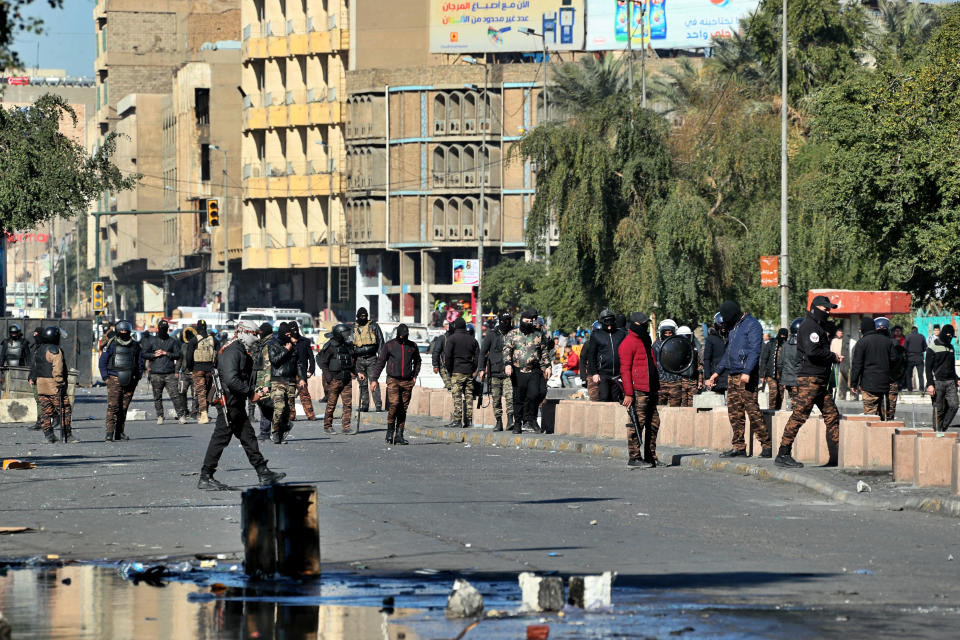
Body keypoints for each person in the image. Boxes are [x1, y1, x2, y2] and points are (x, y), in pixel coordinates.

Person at [197, 321, 286, 491]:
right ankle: (205, 476)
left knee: (248, 437)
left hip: (235, 402)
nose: (256, 338)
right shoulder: (233, 351)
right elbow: (231, 380)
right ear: (244, 332)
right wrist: (250, 393)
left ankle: (263, 472)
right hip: (229, 403)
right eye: (254, 334)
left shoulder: (239, 349)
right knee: (221, 438)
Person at [775, 296, 843, 468]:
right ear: (815, 308)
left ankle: (844, 452)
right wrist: (833, 356)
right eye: (825, 309)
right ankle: (783, 453)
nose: (828, 312)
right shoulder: (810, 326)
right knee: (799, 415)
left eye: (829, 309)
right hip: (810, 379)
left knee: (832, 415)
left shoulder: (816, 326)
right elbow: (812, 352)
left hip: (819, 380)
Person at [705, 301, 770, 458]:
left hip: (745, 376)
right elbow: (728, 354)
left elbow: (755, 350)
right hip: (732, 375)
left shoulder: (752, 325)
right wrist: (716, 373)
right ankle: (739, 446)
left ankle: (766, 445)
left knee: (752, 410)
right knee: (734, 413)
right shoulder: (734, 327)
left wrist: (747, 371)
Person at [619, 312, 660, 468]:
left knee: (654, 422)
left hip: (650, 389)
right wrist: (629, 393)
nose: (644, 326)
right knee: (637, 423)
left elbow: (651, 364)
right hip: (638, 390)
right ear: (634, 324)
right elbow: (625, 370)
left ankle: (650, 457)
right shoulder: (628, 343)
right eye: (642, 323)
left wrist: (656, 387)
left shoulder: (645, 340)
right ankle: (634, 457)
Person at [371, 323, 422, 444]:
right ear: (398, 334)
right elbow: (381, 362)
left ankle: (399, 434)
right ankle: (389, 432)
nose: (403, 338)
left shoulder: (412, 346)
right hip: (393, 380)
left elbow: (418, 361)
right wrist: (374, 379)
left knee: (403, 409)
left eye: (405, 335)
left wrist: (415, 376)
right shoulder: (390, 345)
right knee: (394, 405)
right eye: (401, 336)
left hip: (407, 381)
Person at [503, 308, 551, 434]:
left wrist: (548, 366)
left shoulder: (538, 334)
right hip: (517, 370)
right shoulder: (513, 334)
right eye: (527, 320)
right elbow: (507, 350)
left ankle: (531, 419)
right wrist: (507, 364)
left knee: (535, 394)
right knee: (518, 397)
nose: (529, 323)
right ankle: (518, 423)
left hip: (534, 369)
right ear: (521, 320)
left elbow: (544, 351)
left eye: (532, 321)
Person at [98, 320, 144, 442]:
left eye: (126, 331)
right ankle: (109, 433)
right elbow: (102, 362)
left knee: (124, 408)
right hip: (114, 378)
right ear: (118, 331)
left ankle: (120, 432)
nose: (124, 332)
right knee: (113, 407)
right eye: (122, 330)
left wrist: (137, 377)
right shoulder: (111, 345)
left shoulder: (135, 345)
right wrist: (106, 378)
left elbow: (140, 363)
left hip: (130, 380)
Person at [29, 326, 74, 443]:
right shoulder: (55, 350)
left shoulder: (39, 349)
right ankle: (67, 435)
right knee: (65, 409)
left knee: (45, 410)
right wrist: (60, 381)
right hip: (53, 385)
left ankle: (49, 435)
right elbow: (57, 369)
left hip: (41, 384)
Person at [850, 317, 896, 419]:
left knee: (870, 417)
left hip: (868, 385)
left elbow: (857, 365)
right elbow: (894, 360)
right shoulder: (887, 341)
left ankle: (872, 434)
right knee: (886, 417)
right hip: (885, 384)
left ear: (863, 329)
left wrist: (853, 383)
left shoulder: (861, 343)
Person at [143, 320, 188, 425]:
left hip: (169, 373)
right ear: (158, 329)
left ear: (167, 329)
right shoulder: (151, 341)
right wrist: (154, 355)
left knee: (175, 396)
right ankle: (160, 416)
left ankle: (181, 416)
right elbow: (144, 354)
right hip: (156, 373)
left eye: (165, 328)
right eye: (161, 328)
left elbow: (178, 355)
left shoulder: (172, 341)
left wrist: (166, 353)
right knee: (157, 397)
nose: (163, 331)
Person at [318, 323, 357, 434]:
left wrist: (357, 373)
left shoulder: (348, 346)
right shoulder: (330, 346)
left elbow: (351, 362)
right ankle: (328, 426)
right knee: (331, 404)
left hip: (346, 379)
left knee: (347, 404)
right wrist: (329, 378)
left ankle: (346, 427)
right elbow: (324, 363)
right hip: (335, 379)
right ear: (338, 334)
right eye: (344, 334)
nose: (347, 336)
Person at [479, 312, 513, 431]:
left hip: (509, 372)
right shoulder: (492, 335)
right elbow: (482, 352)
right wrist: (481, 369)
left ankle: (510, 420)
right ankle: (498, 422)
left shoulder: (513, 333)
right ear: (500, 321)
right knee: (496, 398)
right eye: (505, 321)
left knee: (510, 397)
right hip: (494, 372)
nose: (507, 323)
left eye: (509, 320)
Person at [443, 317, 478, 429]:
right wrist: (473, 368)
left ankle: (457, 420)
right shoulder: (473, 340)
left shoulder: (452, 339)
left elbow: (447, 356)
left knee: (457, 396)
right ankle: (468, 420)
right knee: (469, 396)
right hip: (468, 371)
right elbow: (478, 357)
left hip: (456, 371)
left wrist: (449, 369)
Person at [585, 309, 627, 403]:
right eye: (606, 322)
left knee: (616, 399)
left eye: (611, 322)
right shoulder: (596, 335)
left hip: (618, 373)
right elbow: (591, 355)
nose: (609, 326)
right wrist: (594, 373)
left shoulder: (620, 334)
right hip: (603, 373)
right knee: (604, 397)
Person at [267, 322, 299, 443]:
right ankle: (275, 432)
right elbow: (274, 360)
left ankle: (281, 432)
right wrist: (286, 350)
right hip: (278, 380)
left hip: (291, 382)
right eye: (286, 333)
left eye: (289, 333)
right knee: (279, 407)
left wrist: (301, 379)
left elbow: (298, 364)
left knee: (287, 412)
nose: (288, 335)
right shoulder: (272, 344)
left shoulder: (293, 345)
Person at [925, 324, 959, 432]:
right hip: (937, 382)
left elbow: (951, 366)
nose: (949, 338)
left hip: (950, 382)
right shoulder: (932, 347)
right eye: (948, 336)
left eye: (951, 337)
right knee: (938, 409)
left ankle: (942, 428)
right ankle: (937, 432)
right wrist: (930, 384)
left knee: (954, 406)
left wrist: (957, 379)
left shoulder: (951, 348)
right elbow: (928, 368)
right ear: (943, 334)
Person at [185, 319, 218, 424]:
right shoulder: (213, 339)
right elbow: (218, 355)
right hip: (210, 369)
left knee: (200, 392)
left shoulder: (194, 340)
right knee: (208, 392)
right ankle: (205, 412)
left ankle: (203, 414)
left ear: (197, 328)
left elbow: (189, 357)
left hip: (197, 369)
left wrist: (190, 368)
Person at [353, 308, 385, 413]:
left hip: (372, 358)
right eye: (361, 316)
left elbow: (380, 341)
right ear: (357, 316)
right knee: (362, 384)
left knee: (374, 381)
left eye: (365, 316)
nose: (363, 318)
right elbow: (350, 344)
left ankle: (378, 406)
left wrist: (381, 357)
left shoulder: (374, 326)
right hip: (359, 359)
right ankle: (364, 405)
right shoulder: (353, 327)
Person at [876, 317, 906, 420]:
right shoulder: (893, 343)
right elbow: (901, 363)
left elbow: (900, 363)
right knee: (889, 412)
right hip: (890, 380)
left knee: (879, 412)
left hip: (879, 381)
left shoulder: (872, 343)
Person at [250, 323, 275, 441]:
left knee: (266, 405)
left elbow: (268, 366)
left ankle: (267, 432)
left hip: (264, 380)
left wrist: (266, 385)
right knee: (264, 405)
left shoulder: (267, 345)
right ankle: (265, 432)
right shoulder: (265, 343)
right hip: (261, 378)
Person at [289, 322, 317, 421]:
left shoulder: (305, 342)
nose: (294, 331)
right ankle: (291, 415)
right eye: (292, 329)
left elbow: (311, 358)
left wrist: (311, 370)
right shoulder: (286, 342)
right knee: (290, 395)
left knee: (304, 394)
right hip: (289, 373)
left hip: (302, 372)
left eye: (296, 329)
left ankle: (310, 414)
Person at [653, 320, 681, 406]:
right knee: (659, 409)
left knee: (675, 411)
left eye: (670, 333)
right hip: (661, 382)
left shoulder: (678, 344)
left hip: (675, 382)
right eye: (666, 333)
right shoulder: (656, 345)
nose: (668, 335)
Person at [762, 328, 789, 410]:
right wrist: (762, 374)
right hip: (771, 373)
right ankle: (771, 411)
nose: (783, 337)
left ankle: (777, 411)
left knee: (780, 394)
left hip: (782, 375)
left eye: (785, 335)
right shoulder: (771, 344)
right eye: (781, 335)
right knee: (773, 392)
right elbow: (764, 359)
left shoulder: (787, 345)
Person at [702, 314, 728, 398]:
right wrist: (707, 377)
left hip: (730, 376)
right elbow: (707, 359)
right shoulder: (711, 339)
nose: (723, 328)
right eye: (721, 325)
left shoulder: (731, 337)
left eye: (725, 325)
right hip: (716, 377)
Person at [674, 326, 700, 407]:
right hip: (681, 381)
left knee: (693, 406)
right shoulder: (675, 350)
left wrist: (699, 381)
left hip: (692, 380)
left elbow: (699, 367)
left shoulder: (694, 350)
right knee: (682, 406)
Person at [780, 318, 803, 408]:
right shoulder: (803, 345)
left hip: (787, 379)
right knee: (799, 405)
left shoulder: (785, 345)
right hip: (799, 380)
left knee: (792, 403)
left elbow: (780, 364)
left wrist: (783, 378)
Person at [580, 320, 602, 401]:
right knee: (594, 398)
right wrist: (583, 377)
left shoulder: (607, 343)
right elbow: (582, 360)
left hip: (605, 374)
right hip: (591, 375)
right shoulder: (588, 344)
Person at [430, 321, 453, 392]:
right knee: (451, 387)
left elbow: (435, 352)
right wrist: (435, 365)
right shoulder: (443, 338)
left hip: (450, 367)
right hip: (447, 366)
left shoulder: (443, 338)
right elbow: (436, 352)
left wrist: (435, 365)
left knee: (450, 387)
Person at [904, 326, 927, 391]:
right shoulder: (922, 336)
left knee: (909, 375)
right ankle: (921, 388)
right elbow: (925, 347)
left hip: (910, 358)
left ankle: (909, 388)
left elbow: (905, 347)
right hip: (919, 357)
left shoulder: (908, 336)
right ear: (917, 330)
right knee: (920, 375)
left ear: (912, 330)